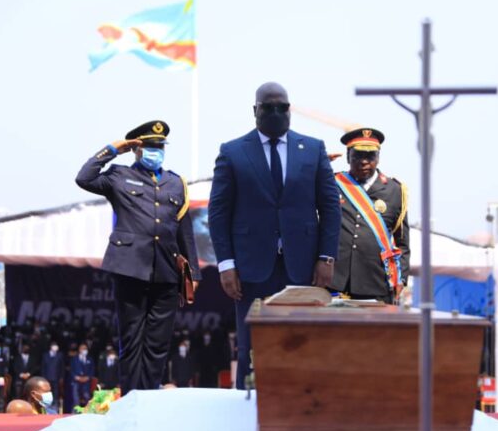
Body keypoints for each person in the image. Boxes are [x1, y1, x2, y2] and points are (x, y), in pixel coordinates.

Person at [208, 82, 341, 389]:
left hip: (303, 266)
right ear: (255, 111)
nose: (276, 113)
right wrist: (226, 265)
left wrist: (326, 257)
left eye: (283, 107)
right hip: (251, 269)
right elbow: (218, 213)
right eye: (269, 107)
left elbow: (330, 207)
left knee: (302, 344)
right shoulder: (232, 152)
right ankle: (247, 411)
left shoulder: (313, 148)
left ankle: (300, 411)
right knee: (252, 347)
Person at [76, 120, 201, 394]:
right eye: (150, 146)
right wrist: (112, 149)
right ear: (137, 149)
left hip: (166, 270)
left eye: (160, 146)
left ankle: (149, 398)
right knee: (132, 340)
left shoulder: (175, 182)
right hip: (130, 267)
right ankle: (132, 399)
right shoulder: (119, 175)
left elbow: (184, 228)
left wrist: (194, 271)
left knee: (158, 343)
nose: (156, 151)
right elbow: (83, 178)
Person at [328, 128, 410, 304]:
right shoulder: (332, 184)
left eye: (370, 156)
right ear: (348, 155)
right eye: (357, 155)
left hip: (376, 280)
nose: (364, 162)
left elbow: (402, 243)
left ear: (378, 157)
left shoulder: (395, 190)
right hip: (335, 279)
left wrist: (401, 279)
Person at [70, 343, 94, 409]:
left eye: (85, 349)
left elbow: (92, 370)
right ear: (79, 349)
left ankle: (88, 411)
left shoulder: (90, 359)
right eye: (83, 348)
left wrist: (88, 377)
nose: (84, 350)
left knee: (87, 396)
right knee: (76, 397)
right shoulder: (74, 359)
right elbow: (71, 370)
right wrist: (76, 377)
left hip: (86, 381)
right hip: (76, 381)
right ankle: (76, 412)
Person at [41, 342, 64, 409]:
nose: (56, 347)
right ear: (51, 347)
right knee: (46, 391)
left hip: (56, 377)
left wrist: (61, 377)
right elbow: (43, 367)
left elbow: (62, 367)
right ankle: (46, 405)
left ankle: (55, 405)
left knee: (56, 392)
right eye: (54, 346)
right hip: (47, 377)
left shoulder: (60, 355)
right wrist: (43, 378)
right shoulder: (45, 355)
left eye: (56, 346)